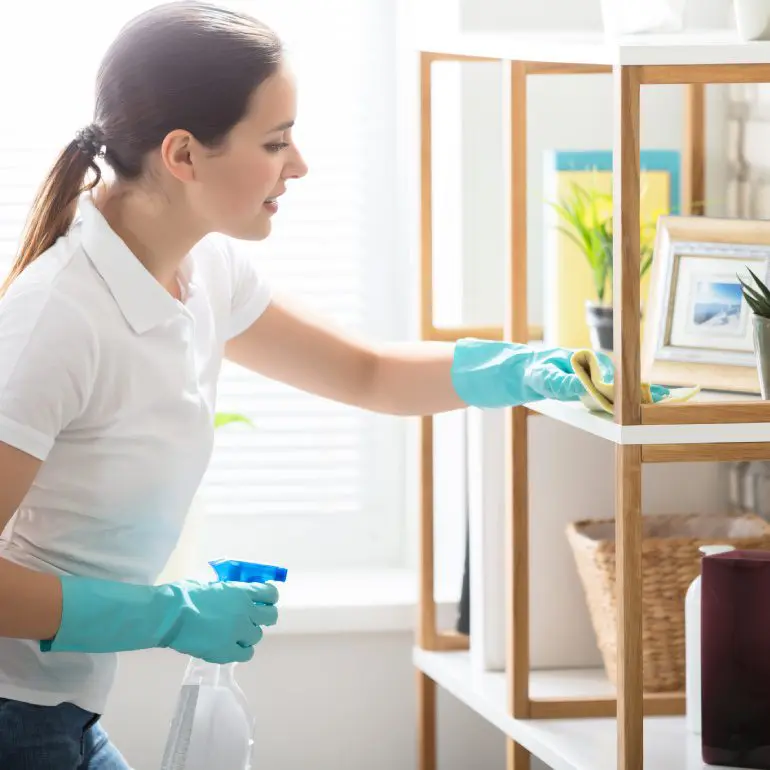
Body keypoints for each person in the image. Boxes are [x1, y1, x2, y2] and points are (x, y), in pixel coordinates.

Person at [0, 2, 632, 768]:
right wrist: (163, 615)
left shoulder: (204, 274)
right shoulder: (57, 318)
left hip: (58, 711)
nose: (298, 165)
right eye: (274, 142)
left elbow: (367, 373)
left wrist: (525, 368)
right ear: (183, 154)